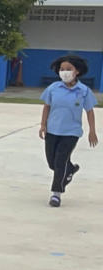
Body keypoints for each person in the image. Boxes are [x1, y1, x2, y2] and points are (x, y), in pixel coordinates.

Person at [39, 54, 98, 207]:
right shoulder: (53, 88)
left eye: (68, 69)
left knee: (60, 162)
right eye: (61, 69)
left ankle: (56, 194)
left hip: (71, 132)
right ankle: (70, 169)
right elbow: (47, 107)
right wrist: (43, 125)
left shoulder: (83, 91)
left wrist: (92, 130)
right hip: (52, 130)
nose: (64, 72)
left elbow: (90, 111)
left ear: (77, 71)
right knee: (52, 163)